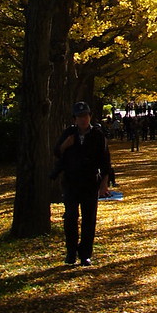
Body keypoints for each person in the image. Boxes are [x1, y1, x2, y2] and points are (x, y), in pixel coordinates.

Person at [53, 101, 112, 267]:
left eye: (85, 116)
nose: (83, 119)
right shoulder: (69, 133)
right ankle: (71, 252)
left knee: (89, 219)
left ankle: (85, 254)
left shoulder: (98, 135)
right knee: (70, 217)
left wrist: (104, 184)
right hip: (71, 182)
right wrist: (66, 145)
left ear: (90, 117)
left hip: (90, 183)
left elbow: (105, 161)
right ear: (75, 119)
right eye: (79, 117)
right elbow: (56, 152)